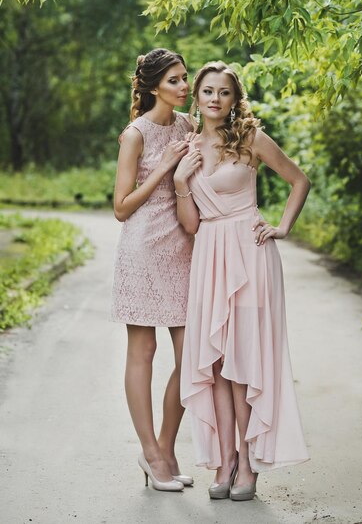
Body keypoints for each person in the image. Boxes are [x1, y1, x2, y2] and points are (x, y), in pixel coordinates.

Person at [174, 61, 310, 501]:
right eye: (208, 91)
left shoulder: (250, 139)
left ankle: (248, 465)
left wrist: (283, 228)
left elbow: (298, 180)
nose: (215, 99)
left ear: (235, 100)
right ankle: (225, 460)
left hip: (250, 256)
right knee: (215, 368)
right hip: (209, 255)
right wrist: (179, 180)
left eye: (224, 92)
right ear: (196, 97)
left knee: (242, 363)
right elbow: (191, 224)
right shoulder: (187, 147)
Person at [111, 48, 197, 492]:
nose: (186, 87)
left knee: (191, 358)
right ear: (152, 87)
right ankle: (149, 452)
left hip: (183, 249)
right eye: (176, 80)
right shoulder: (135, 134)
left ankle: (166, 448)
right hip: (142, 248)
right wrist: (163, 166)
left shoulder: (188, 126)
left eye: (186, 78)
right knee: (142, 353)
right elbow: (121, 208)